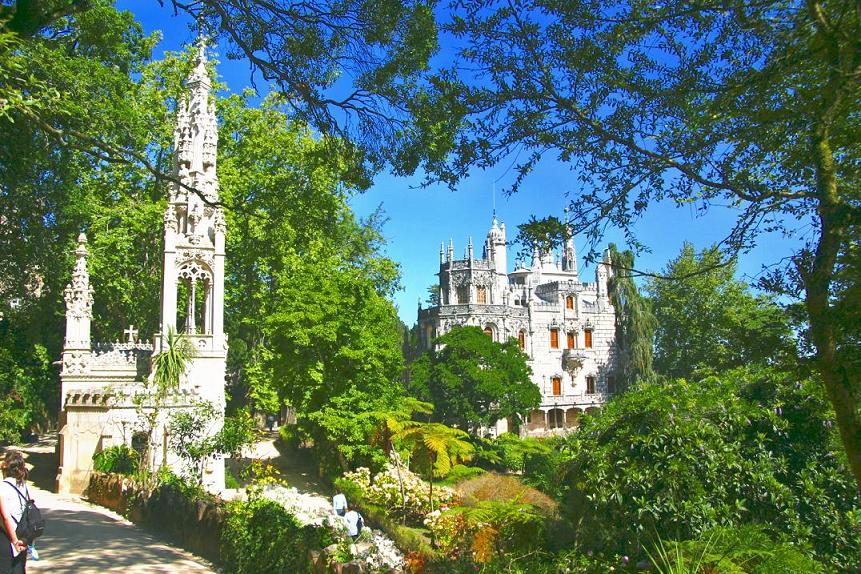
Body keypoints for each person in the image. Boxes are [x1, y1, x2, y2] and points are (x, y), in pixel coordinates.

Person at [0, 451, 29, 574]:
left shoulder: (2, 487)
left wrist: (14, 540)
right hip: (22, 535)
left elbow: (6, 517)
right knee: (19, 569)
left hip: (6, 536)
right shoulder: (23, 485)